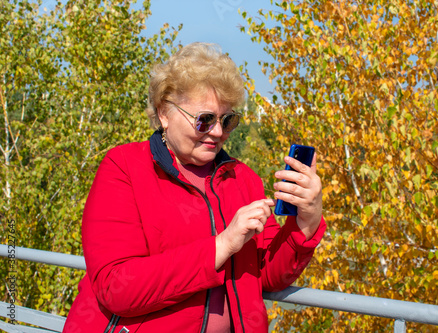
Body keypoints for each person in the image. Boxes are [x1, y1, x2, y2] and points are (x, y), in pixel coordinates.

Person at [63, 42, 326, 333]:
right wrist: (221, 246)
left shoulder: (243, 179)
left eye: (227, 120)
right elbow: (116, 286)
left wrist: (307, 220)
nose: (217, 132)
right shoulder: (124, 167)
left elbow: (267, 276)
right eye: (205, 120)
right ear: (164, 112)